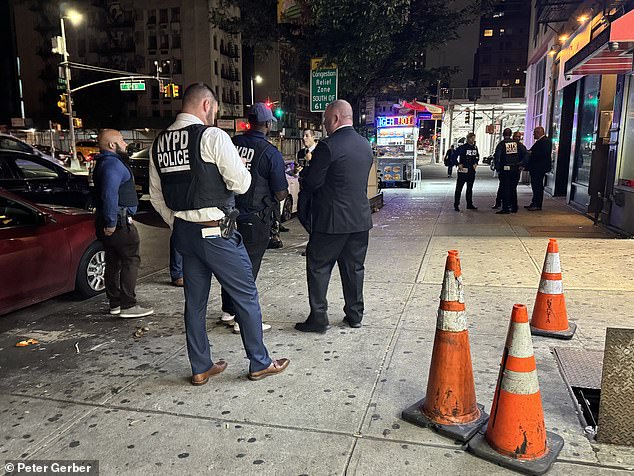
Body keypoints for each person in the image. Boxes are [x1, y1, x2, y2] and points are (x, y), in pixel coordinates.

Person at [149, 83, 289, 384]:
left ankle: (200, 367)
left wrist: (179, 222)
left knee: (195, 304)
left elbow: (156, 196)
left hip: (184, 234)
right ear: (206, 106)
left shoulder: (158, 143)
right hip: (216, 232)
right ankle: (259, 362)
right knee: (246, 295)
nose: (215, 115)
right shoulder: (212, 136)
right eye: (214, 109)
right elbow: (241, 184)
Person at [295, 100, 373, 333]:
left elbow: (312, 182)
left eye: (326, 120)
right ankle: (354, 314)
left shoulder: (328, 147)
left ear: (336, 118)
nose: (325, 125)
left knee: (319, 267)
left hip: (331, 221)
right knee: (354, 268)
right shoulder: (365, 145)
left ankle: (319, 317)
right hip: (359, 220)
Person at [220, 102, 289, 334]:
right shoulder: (270, 152)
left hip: (228, 214)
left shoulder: (231, 144)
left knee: (229, 263)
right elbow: (280, 192)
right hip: (254, 218)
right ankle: (242, 319)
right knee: (248, 269)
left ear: (249, 121)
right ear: (268, 124)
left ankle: (228, 310)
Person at [92, 129, 154, 319]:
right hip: (119, 222)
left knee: (113, 261)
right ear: (112, 145)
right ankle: (128, 304)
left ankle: (115, 303)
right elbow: (110, 194)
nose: (126, 144)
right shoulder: (113, 165)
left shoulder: (103, 163)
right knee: (130, 260)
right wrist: (112, 222)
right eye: (122, 140)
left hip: (109, 219)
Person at [493, 128, 528, 214]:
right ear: (511, 134)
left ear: (503, 134)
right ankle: (514, 207)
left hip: (505, 169)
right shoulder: (517, 144)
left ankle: (505, 208)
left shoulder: (502, 144)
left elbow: (497, 157)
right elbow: (526, 154)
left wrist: (498, 169)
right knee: (513, 188)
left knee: (505, 188)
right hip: (515, 169)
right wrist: (522, 164)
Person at [525, 126, 552, 211]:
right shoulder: (540, 141)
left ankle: (537, 204)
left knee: (537, 186)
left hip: (539, 168)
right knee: (535, 186)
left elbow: (543, 153)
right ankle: (534, 203)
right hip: (536, 168)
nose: (533, 135)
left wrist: (531, 153)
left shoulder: (545, 141)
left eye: (534, 133)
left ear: (539, 133)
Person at [453, 133, 479, 211]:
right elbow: (454, 156)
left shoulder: (475, 148)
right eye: (471, 138)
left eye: (474, 138)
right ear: (468, 139)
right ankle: (456, 204)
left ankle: (469, 204)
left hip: (471, 170)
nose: (473, 140)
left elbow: (477, 156)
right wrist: (458, 164)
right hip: (463, 170)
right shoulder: (462, 148)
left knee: (470, 189)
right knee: (459, 188)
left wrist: (476, 163)